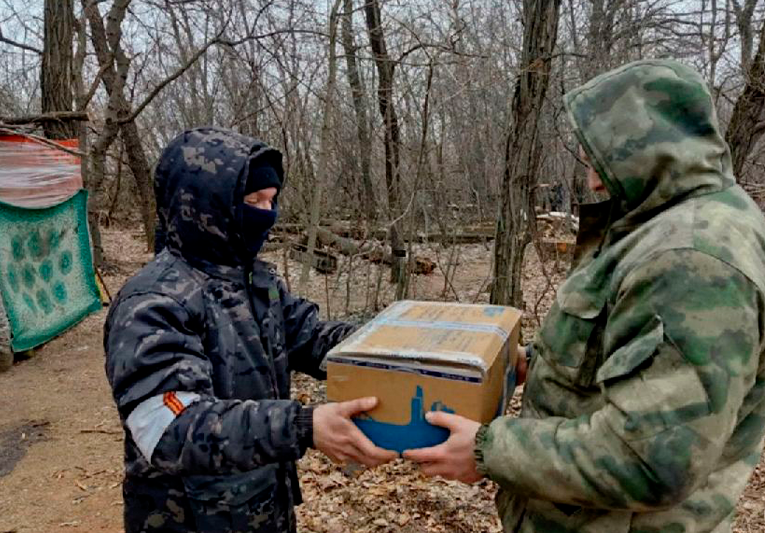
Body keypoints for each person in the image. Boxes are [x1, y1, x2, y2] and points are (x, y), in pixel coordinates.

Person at [404, 58, 765, 532]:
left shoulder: (691, 258)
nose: (594, 180)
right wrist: (541, 362)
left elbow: (651, 460)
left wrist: (489, 451)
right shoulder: (659, 224)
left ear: (650, 148)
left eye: (604, 160)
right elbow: (626, 349)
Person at [104, 127, 396, 533]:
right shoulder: (154, 300)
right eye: (253, 201)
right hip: (189, 518)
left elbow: (311, 337)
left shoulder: (254, 280)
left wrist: (392, 343)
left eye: (272, 201)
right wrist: (303, 426)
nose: (267, 213)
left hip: (261, 505)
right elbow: (168, 427)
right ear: (208, 206)